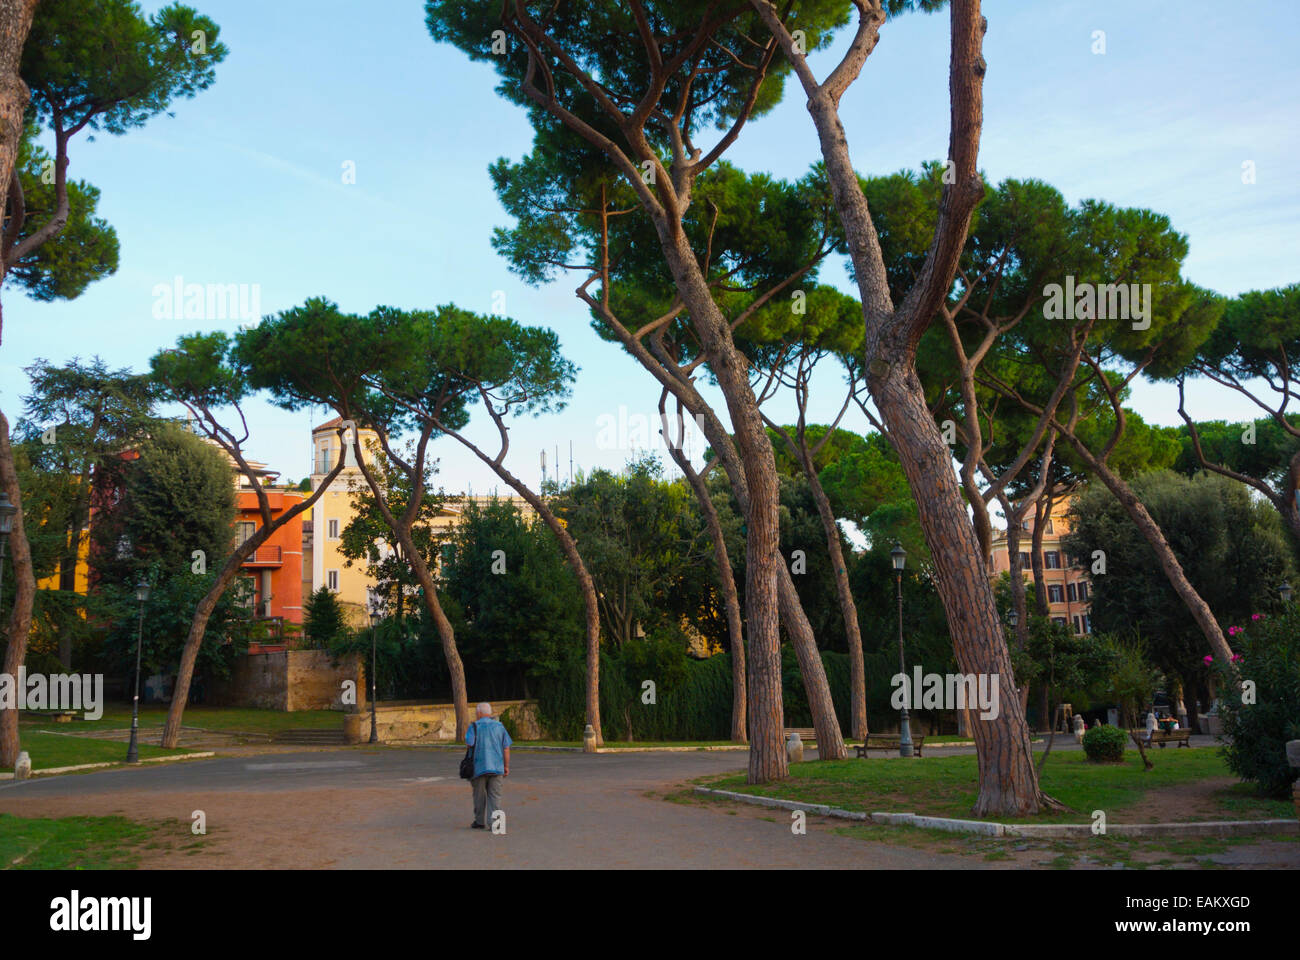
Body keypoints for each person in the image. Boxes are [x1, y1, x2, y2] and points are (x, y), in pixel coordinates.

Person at [465, 701, 511, 830]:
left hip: (478, 767)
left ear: (479, 713)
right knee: (495, 796)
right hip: (497, 767)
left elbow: (469, 744)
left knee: (479, 796)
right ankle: (495, 824)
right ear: (489, 713)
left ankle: (479, 821)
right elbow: (506, 748)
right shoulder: (500, 726)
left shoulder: (473, 726)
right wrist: (506, 766)